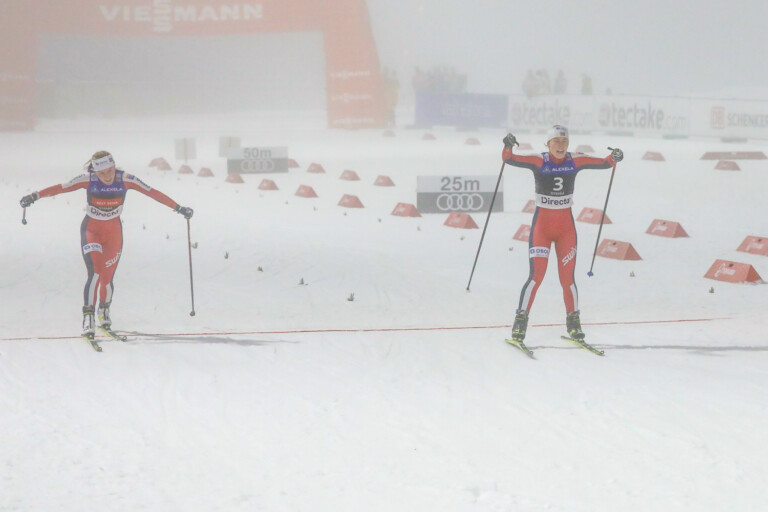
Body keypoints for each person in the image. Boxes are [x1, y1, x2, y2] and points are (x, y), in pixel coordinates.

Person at [19, 151, 193, 341]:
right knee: (94, 273)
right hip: (91, 231)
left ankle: (104, 311)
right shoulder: (88, 179)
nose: (108, 176)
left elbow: (153, 193)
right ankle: (88, 318)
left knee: (107, 280)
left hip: (114, 235)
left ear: (114, 166)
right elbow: (61, 188)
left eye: (110, 170)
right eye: (103, 173)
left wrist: (179, 208)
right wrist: (34, 196)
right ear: (95, 171)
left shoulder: (126, 179)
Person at [501, 125, 623, 351]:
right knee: (536, 277)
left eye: (564, 142)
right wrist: (508, 144)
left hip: (566, 230)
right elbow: (509, 159)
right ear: (548, 144)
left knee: (568, 280)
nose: (560, 146)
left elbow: (605, 163)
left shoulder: (575, 160)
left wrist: (614, 156)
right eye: (556, 141)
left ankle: (574, 326)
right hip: (542, 229)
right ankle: (519, 327)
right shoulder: (539, 161)